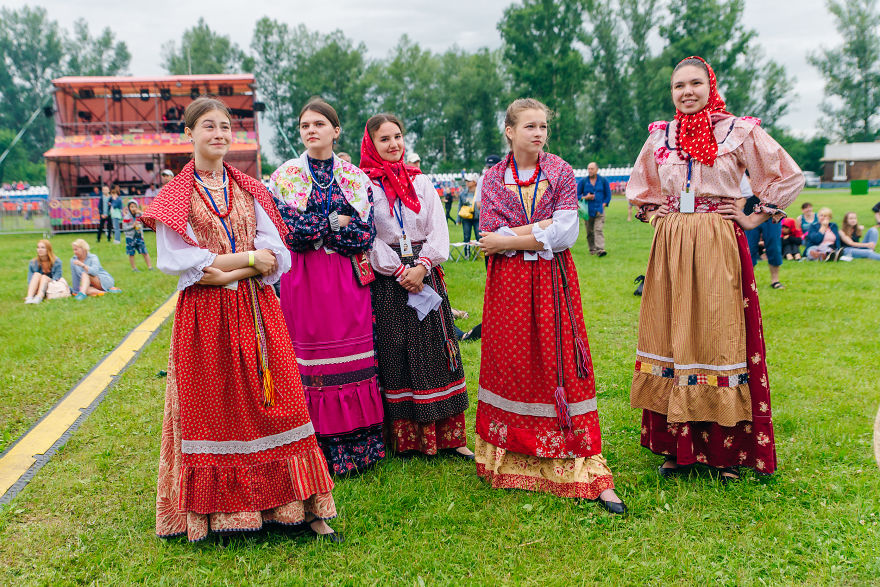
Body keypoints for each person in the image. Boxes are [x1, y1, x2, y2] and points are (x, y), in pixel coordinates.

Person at [143, 96, 340, 543]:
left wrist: (240, 263)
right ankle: (215, 515)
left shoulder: (250, 188)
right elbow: (181, 260)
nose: (218, 134)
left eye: (225, 127)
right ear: (189, 134)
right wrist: (252, 259)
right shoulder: (174, 196)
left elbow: (277, 255)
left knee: (280, 402)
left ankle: (302, 506)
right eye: (208, 126)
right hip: (205, 320)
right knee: (214, 408)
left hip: (257, 310)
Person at [626, 56, 803, 483]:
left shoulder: (737, 131)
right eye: (678, 86)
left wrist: (753, 216)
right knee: (670, 335)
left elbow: (787, 175)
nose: (686, 92)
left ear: (711, 86)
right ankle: (675, 446)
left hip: (718, 241)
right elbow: (639, 190)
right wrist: (657, 218)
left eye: (695, 84)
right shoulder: (660, 137)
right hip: (670, 245)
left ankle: (723, 451)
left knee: (716, 334)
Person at [475, 98, 625, 513]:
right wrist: (532, 230)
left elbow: (563, 234)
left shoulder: (559, 170)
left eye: (543, 126)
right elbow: (486, 233)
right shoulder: (491, 178)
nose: (538, 133)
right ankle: (511, 456)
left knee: (558, 361)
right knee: (513, 361)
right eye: (529, 126)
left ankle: (579, 459)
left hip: (551, 280)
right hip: (507, 285)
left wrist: (509, 240)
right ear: (510, 131)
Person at [269, 99, 385, 475]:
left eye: (319, 123)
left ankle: (359, 447)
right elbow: (292, 232)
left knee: (353, 356)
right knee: (310, 357)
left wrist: (321, 225)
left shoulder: (355, 177)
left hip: (347, 280)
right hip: (303, 279)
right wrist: (336, 223)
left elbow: (365, 234)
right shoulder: (284, 177)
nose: (310, 130)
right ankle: (312, 448)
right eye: (304, 125)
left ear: (336, 130)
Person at [361, 113, 473, 460]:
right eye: (384, 139)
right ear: (371, 144)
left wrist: (422, 266)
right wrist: (398, 271)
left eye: (397, 137)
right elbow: (368, 236)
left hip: (426, 271)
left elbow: (438, 229)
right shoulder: (364, 186)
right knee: (397, 351)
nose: (393, 144)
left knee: (437, 348)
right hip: (389, 281)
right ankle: (408, 439)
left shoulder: (421, 182)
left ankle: (451, 436)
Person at [743, 173, 786, 289]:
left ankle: (775, 280)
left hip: (771, 214)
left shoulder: (772, 165)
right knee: (748, 248)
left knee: (774, 247)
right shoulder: (746, 164)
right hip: (749, 214)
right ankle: (748, 282)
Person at [577, 161, 612, 256]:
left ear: (596, 169)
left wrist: (604, 204)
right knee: (589, 231)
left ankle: (600, 249)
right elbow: (576, 196)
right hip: (587, 211)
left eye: (592, 169)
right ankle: (592, 249)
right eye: (588, 168)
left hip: (600, 210)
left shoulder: (603, 181)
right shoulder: (583, 182)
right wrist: (585, 197)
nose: (590, 170)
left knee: (598, 229)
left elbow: (608, 194)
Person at [25, 239, 66, 304]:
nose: (40, 250)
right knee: (36, 274)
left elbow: (57, 278)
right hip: (37, 287)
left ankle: (39, 297)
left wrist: (45, 280)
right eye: (38, 247)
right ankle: (29, 298)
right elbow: (30, 280)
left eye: (43, 248)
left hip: (51, 286)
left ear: (48, 250)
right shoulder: (33, 263)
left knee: (44, 277)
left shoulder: (57, 262)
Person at [121, 199, 153, 271]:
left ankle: (150, 267)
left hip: (139, 237)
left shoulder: (139, 215)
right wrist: (132, 226)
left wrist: (141, 212)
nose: (133, 208)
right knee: (131, 254)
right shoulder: (126, 217)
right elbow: (124, 228)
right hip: (130, 238)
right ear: (129, 208)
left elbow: (147, 217)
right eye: (131, 207)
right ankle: (134, 268)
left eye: (135, 206)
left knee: (144, 252)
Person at [458, 175, 479, 255]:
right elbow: (460, 206)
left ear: (474, 182)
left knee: (479, 237)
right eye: (466, 181)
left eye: (469, 181)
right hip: (466, 218)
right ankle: (467, 254)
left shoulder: (479, 192)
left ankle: (479, 254)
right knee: (466, 237)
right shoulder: (463, 193)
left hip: (477, 218)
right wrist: (458, 219)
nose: (467, 182)